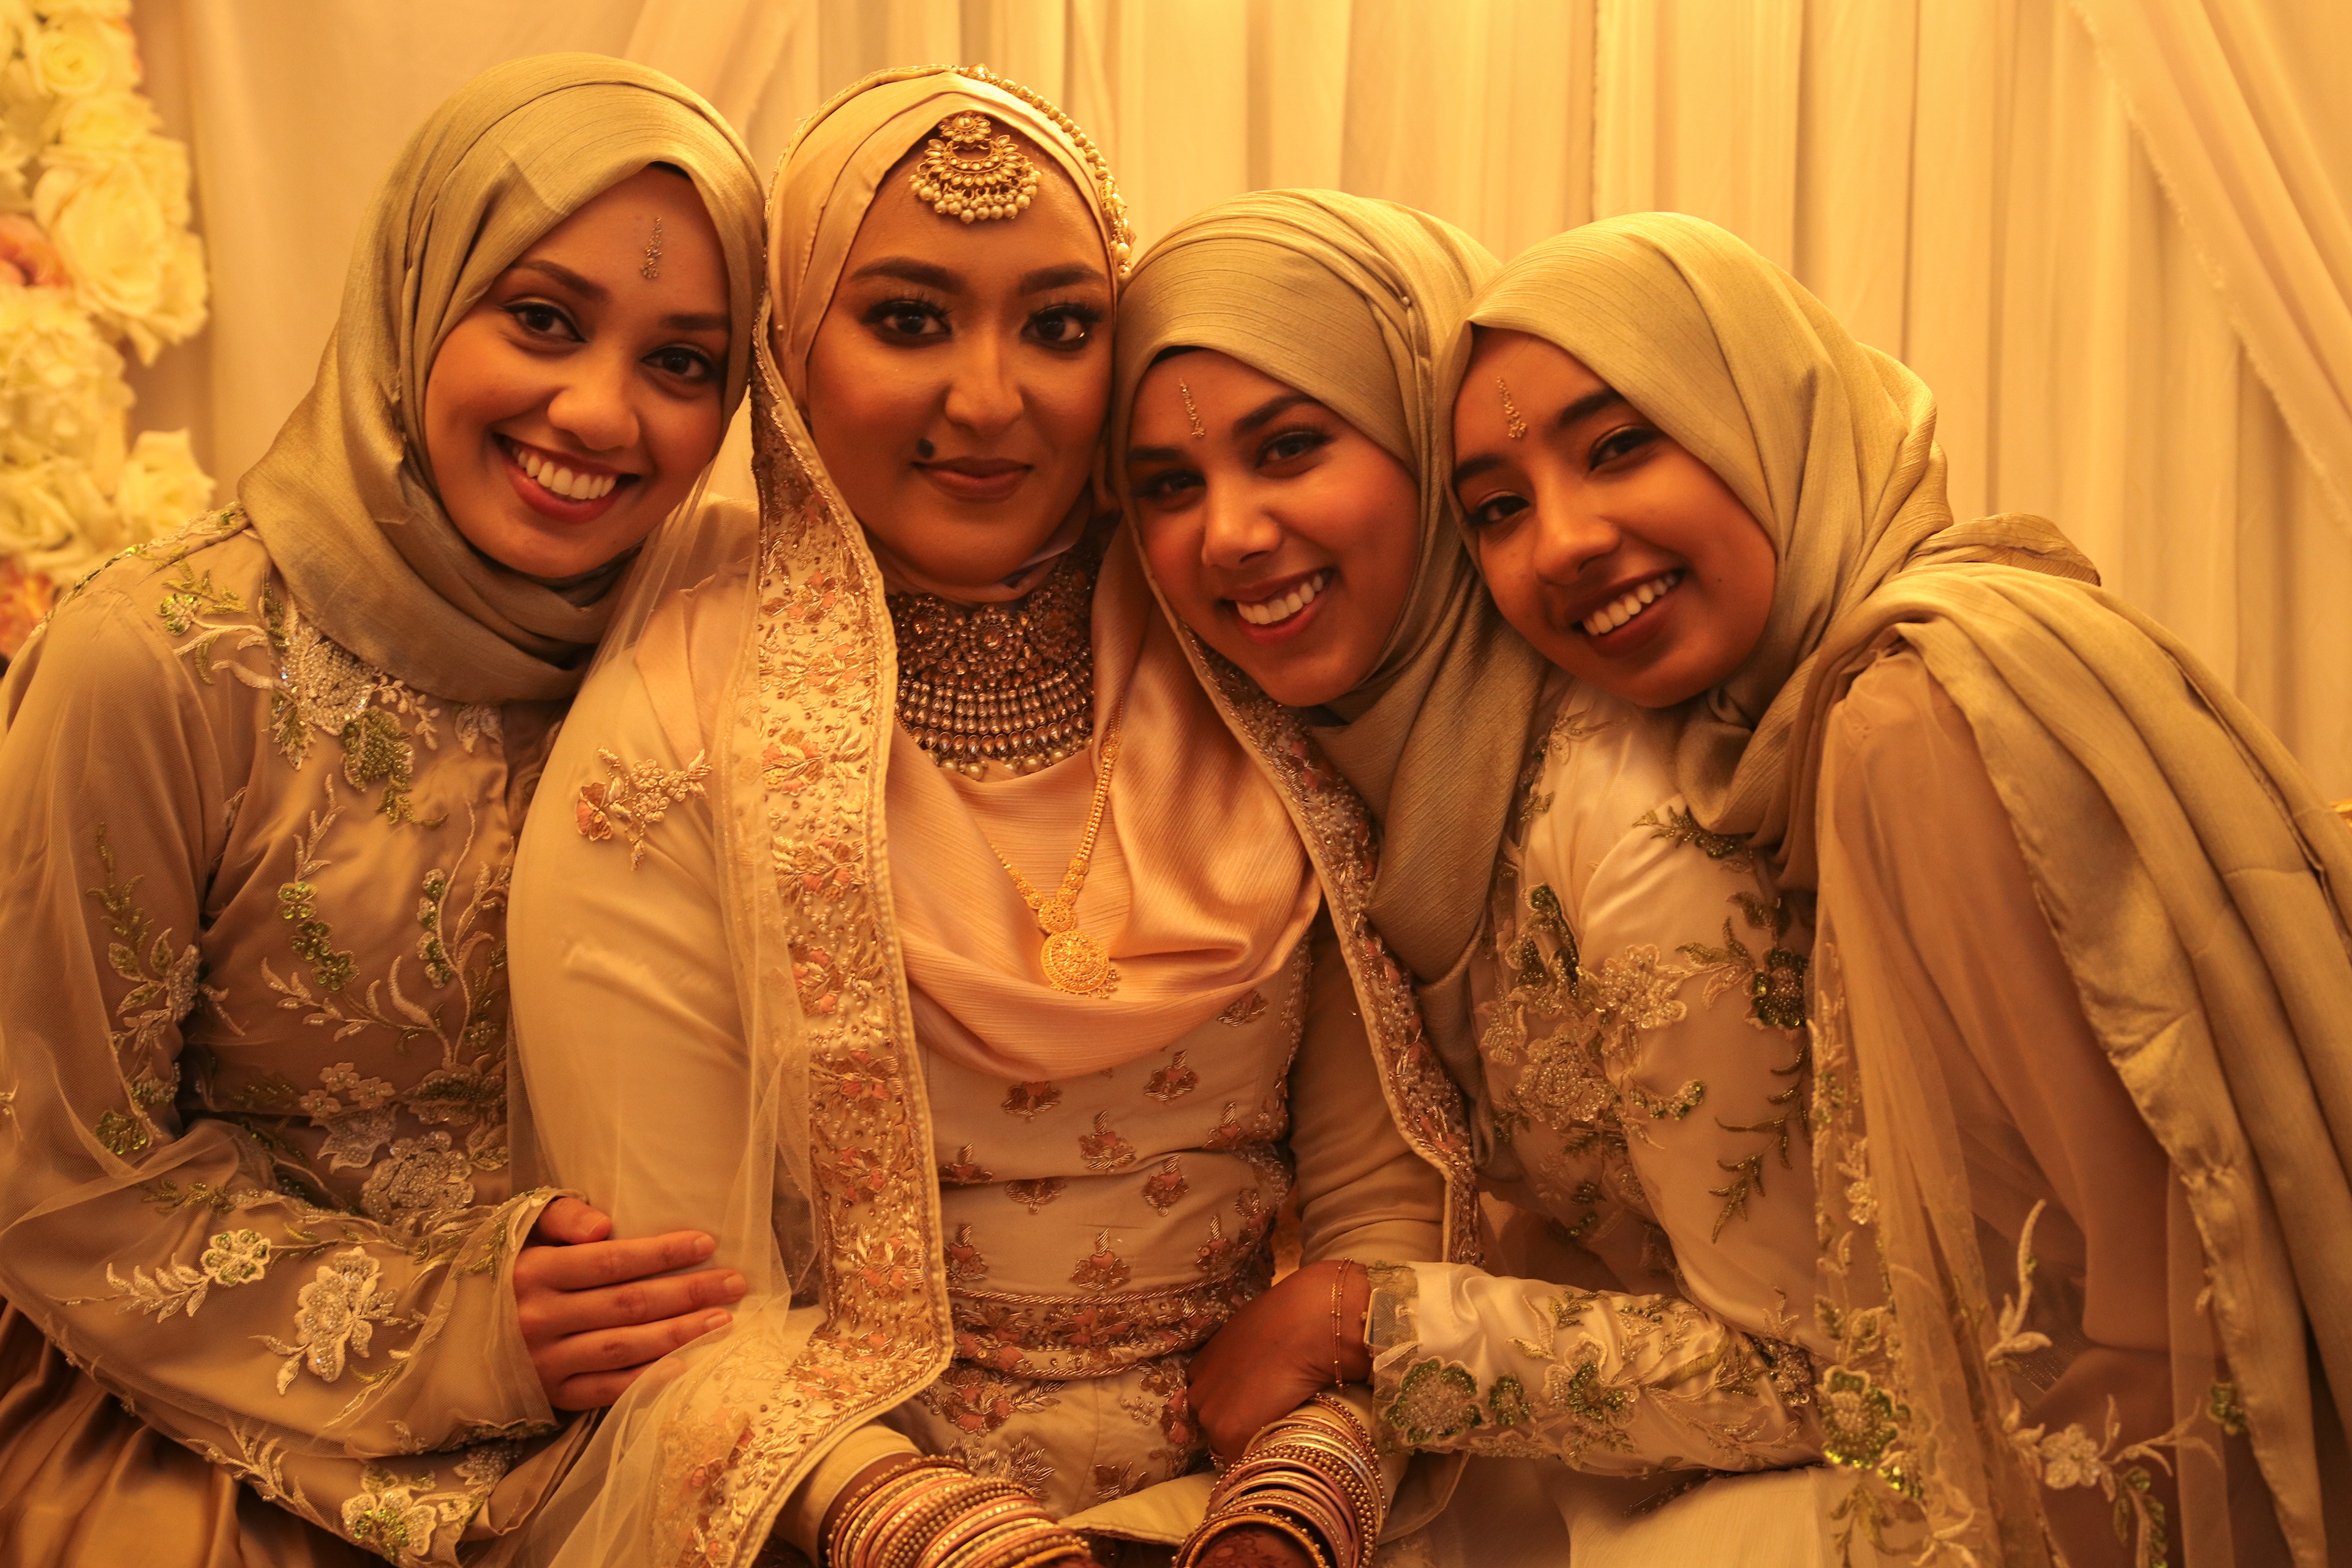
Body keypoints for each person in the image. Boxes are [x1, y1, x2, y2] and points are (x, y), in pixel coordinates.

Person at [505, 68, 1476, 1568]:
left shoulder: (1245, 641)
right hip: (839, 1509)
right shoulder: (679, 712)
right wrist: (940, 1533)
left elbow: (1382, 1186)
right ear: (788, 350)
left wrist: (1310, 1480)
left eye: (1062, 327)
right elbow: (675, 1297)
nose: (990, 398)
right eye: (908, 319)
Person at [1443, 211, 2352, 1566]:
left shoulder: (1905, 721)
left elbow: (2164, 1305)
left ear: (1771, 414)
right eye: (1499, 509)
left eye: (1620, 444)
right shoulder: (1847, 705)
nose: (1563, 541)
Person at [0, 56, 764, 1566]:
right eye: (542, 318)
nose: (598, 411)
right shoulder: (162, 660)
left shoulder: (725, 637)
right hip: (218, 1420)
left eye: (683, 361)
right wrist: (460, 1329)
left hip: (660, 1404)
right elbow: (55, 1172)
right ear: (418, 292)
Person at [1117, 190, 1834, 1568]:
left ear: (1424, 443)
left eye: (1290, 447)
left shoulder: (1630, 819)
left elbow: (1815, 1368)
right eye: (1167, 486)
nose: (1231, 535)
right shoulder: (1341, 774)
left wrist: (1366, 1322)